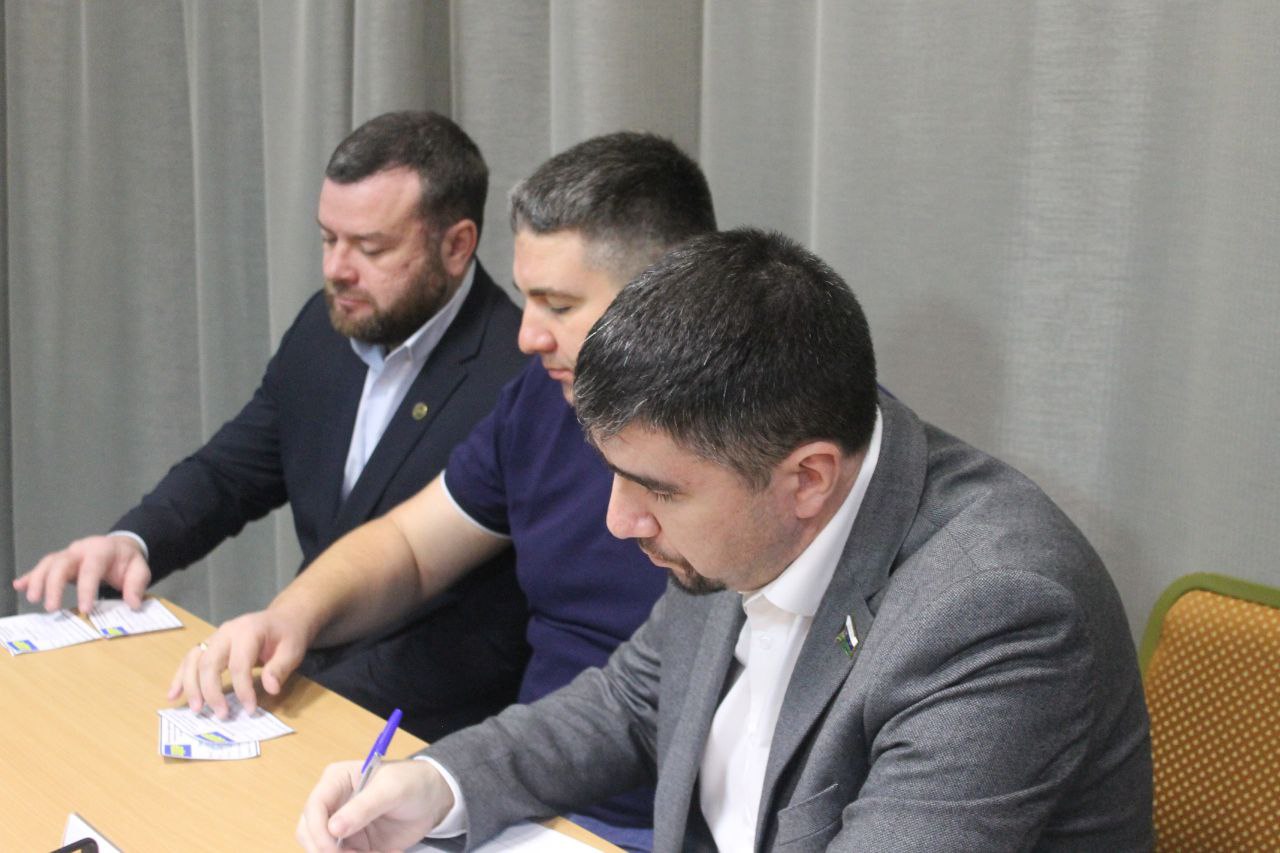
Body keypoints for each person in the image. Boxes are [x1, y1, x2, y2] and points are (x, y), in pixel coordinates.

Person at [295, 229, 1155, 852]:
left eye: (658, 489)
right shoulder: (745, 502)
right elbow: (630, 702)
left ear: (807, 478)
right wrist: (436, 783)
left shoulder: (997, 609)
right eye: (615, 473)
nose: (620, 520)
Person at [167, 132, 718, 848]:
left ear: (667, 295)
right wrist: (291, 616)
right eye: (526, 299)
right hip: (528, 790)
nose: (527, 336)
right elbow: (410, 545)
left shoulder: (748, 443)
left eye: (557, 305)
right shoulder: (541, 398)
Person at [14, 111, 532, 741]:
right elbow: (232, 472)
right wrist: (135, 542)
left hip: (423, 724)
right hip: (301, 677)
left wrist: (295, 687)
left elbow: (487, 635)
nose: (338, 269)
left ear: (456, 246)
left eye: (370, 249)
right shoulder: (327, 325)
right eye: (328, 239)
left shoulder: (518, 373)